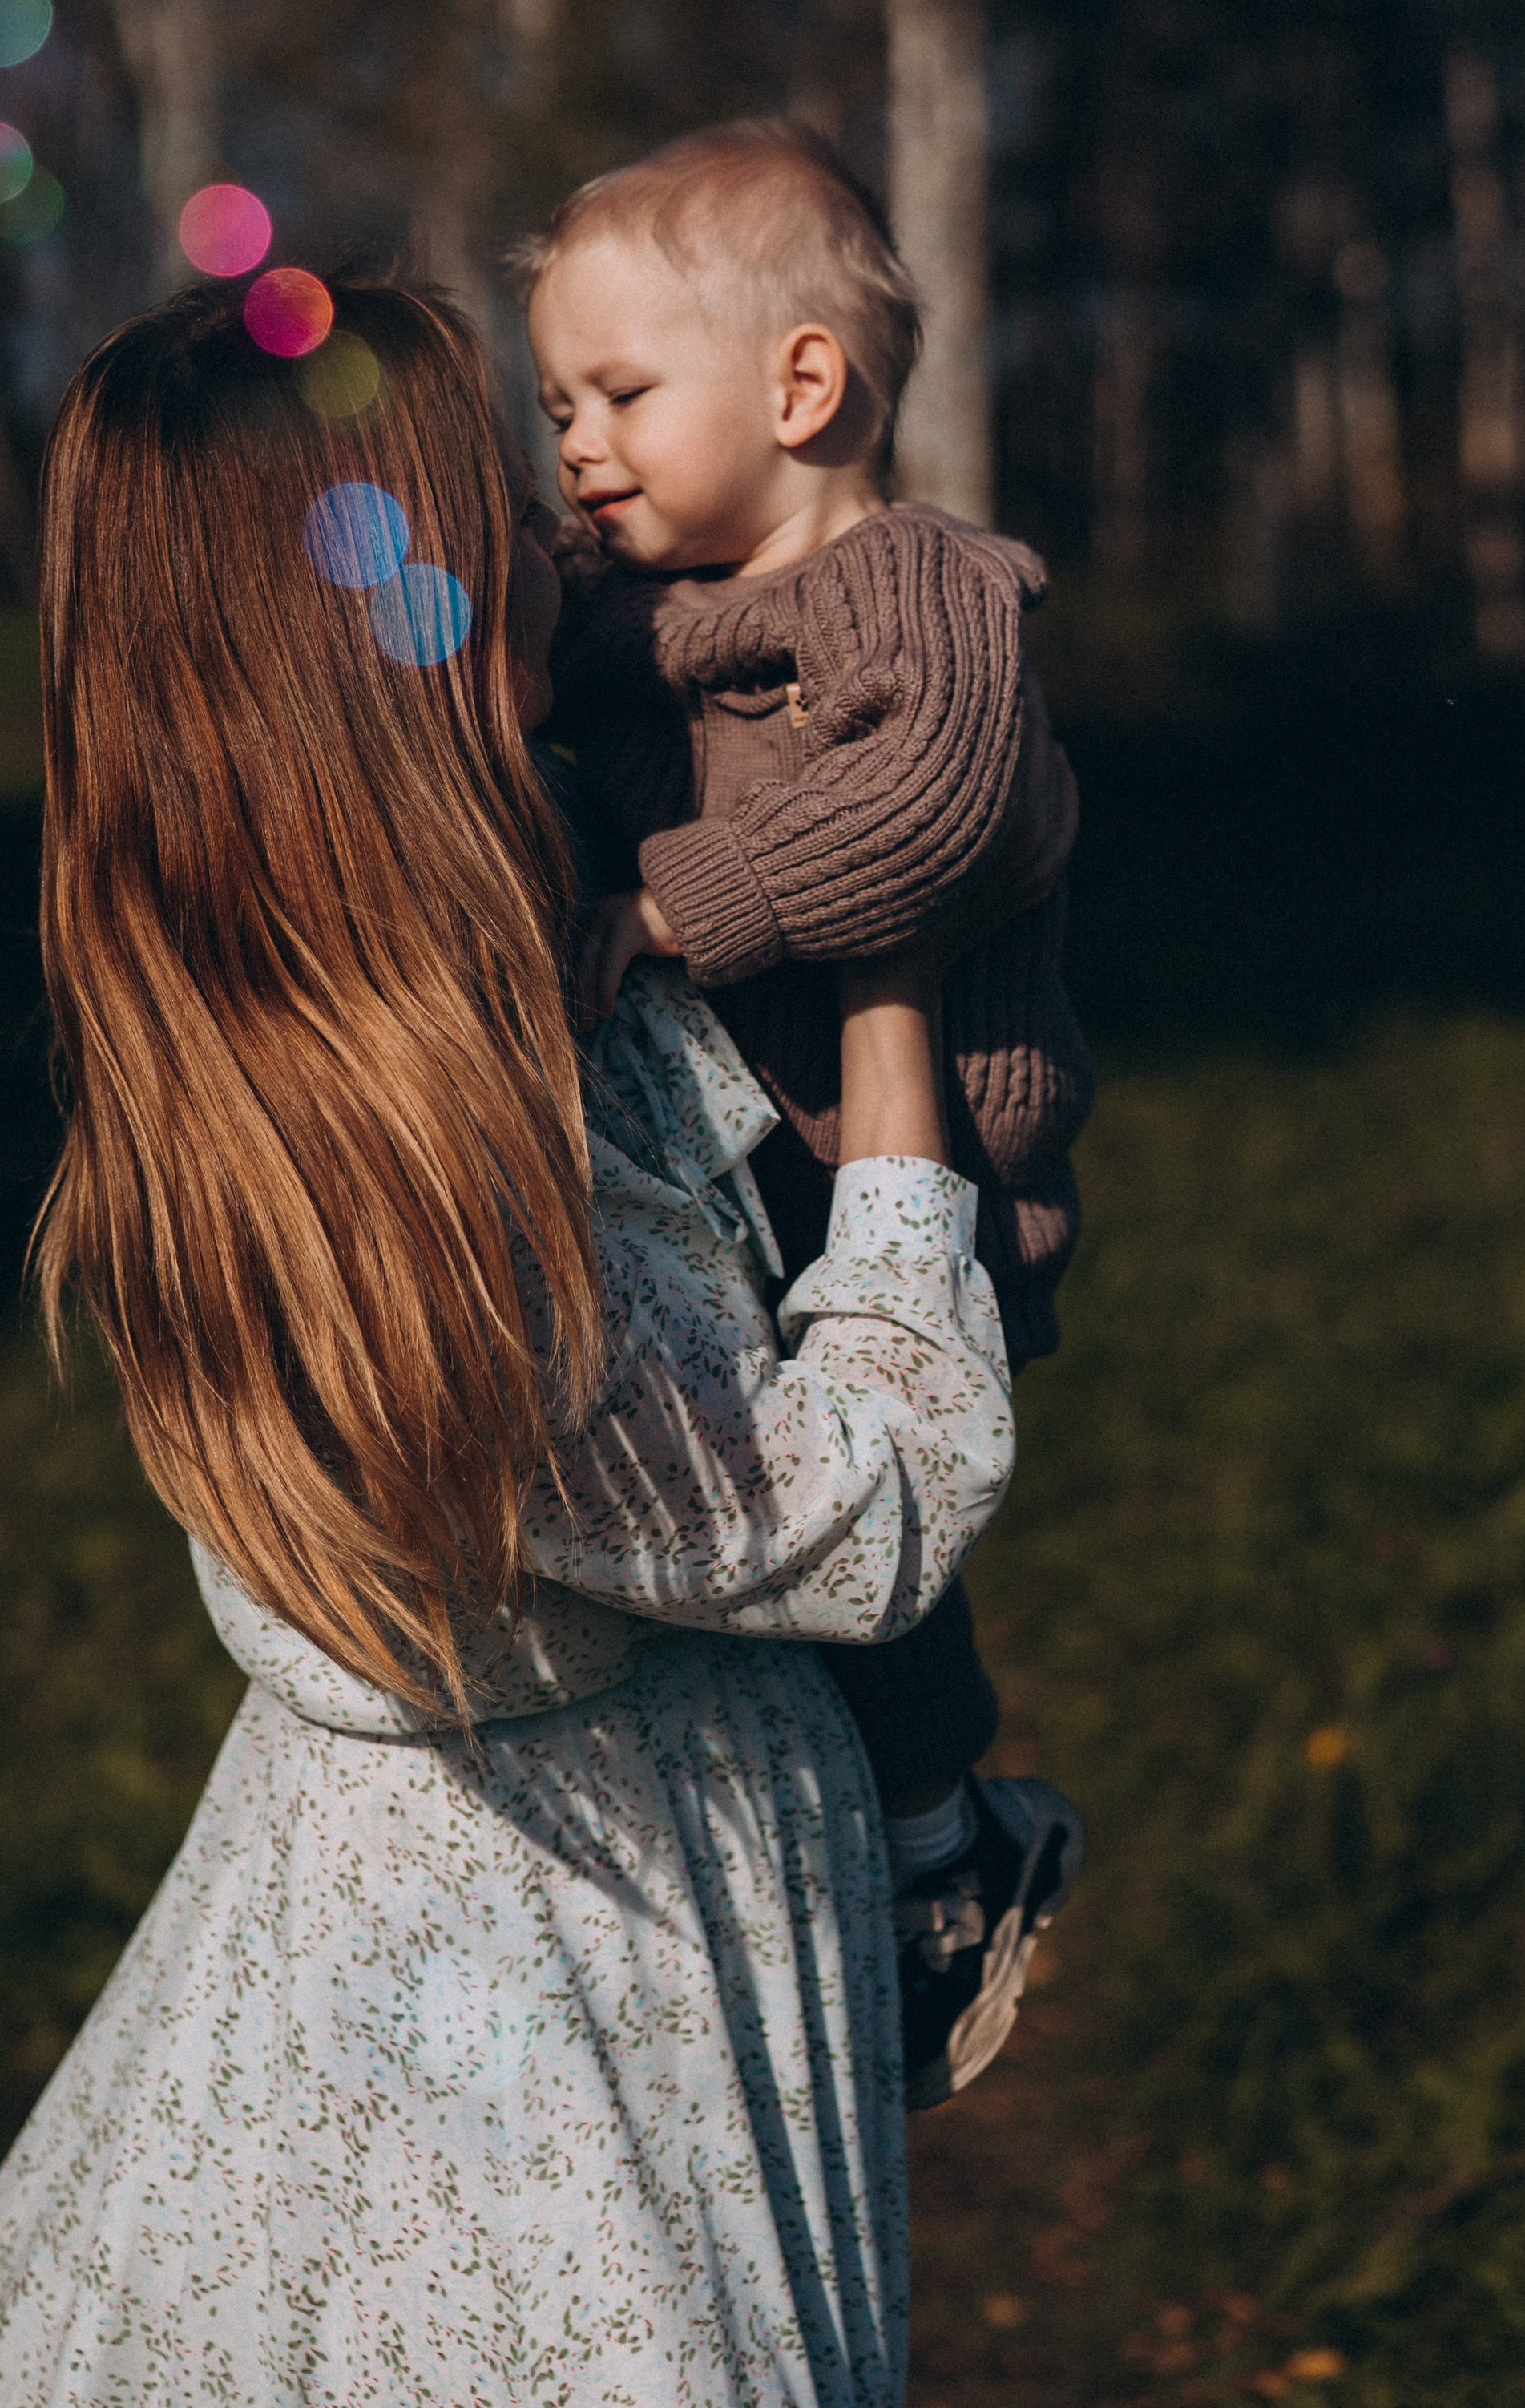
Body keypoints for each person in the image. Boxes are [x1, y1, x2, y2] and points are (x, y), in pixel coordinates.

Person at [0, 275, 1023, 2408]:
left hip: (447, 1907)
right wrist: (896, 996)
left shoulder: (301, 1010)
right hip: (571, 2011)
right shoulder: (447, 1188)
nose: (530, 522)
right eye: (471, 503)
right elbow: (870, 1505)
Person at [518, 120, 1093, 2106]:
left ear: (802, 388)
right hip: (735, 1155)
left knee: (869, 1536)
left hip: (905, 1164)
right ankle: (846, 1845)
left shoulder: (905, 587)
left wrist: (688, 901)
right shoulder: (637, 619)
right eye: (553, 406)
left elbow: (930, 800)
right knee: (764, 1534)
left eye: (615, 394)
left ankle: (947, 1848)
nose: (576, 444)